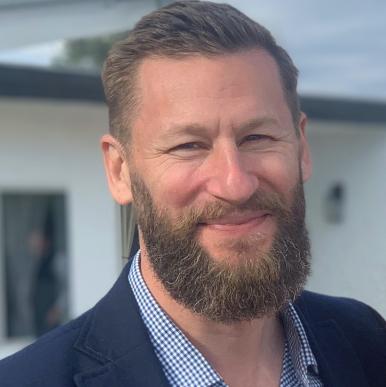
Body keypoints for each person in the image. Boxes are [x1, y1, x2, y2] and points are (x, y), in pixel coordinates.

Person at [1, 1, 385, 386]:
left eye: (257, 137)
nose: (234, 184)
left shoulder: (367, 342)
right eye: (188, 146)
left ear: (301, 148)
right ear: (120, 172)